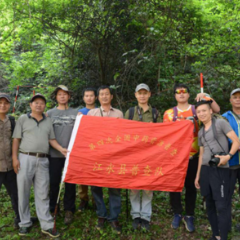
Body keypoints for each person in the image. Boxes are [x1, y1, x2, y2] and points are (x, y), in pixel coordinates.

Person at [163, 83, 220, 232]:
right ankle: (177, 213)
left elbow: (216, 111)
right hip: (175, 157)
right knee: (174, 187)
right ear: (175, 95)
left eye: (184, 92)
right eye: (178, 92)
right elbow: (164, 135)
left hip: (194, 156)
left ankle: (189, 215)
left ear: (189, 94)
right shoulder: (169, 113)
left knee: (191, 186)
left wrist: (207, 98)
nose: (181, 94)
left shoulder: (197, 110)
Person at [12, 93, 67, 237]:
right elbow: (16, 139)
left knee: (42, 192)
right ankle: (24, 223)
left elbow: (52, 139)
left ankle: (46, 224)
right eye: (36, 102)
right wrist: (14, 158)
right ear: (31, 105)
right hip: (25, 158)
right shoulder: (23, 119)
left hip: (43, 160)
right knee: (23, 192)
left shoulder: (48, 121)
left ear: (44, 106)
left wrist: (62, 149)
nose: (39, 105)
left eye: (42, 103)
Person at [194, 100, 240, 240]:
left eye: (204, 110)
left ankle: (224, 236)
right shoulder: (201, 132)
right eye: (199, 111)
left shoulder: (220, 123)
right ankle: (216, 235)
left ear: (210, 111)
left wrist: (228, 156)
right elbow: (201, 155)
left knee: (221, 205)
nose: (201, 113)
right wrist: (198, 176)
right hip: (206, 170)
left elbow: (236, 141)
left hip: (220, 170)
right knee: (210, 204)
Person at [125, 83, 161, 231]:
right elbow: (124, 132)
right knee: (133, 186)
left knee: (147, 186)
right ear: (135, 95)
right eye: (140, 93)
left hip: (150, 155)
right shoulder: (130, 111)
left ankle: (145, 216)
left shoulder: (155, 113)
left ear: (149, 94)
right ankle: (135, 216)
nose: (142, 95)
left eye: (145, 93)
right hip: (133, 154)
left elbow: (162, 134)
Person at [87, 85, 123, 234]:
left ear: (111, 96)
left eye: (107, 94)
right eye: (101, 94)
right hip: (97, 156)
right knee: (96, 187)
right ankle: (101, 215)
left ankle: (114, 217)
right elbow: (87, 134)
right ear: (98, 97)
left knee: (114, 188)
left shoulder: (119, 114)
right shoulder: (91, 113)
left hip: (114, 156)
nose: (104, 96)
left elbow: (123, 135)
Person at [47, 85, 79, 225]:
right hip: (54, 154)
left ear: (69, 96)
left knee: (70, 184)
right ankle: (53, 207)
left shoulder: (76, 113)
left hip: (71, 155)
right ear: (56, 96)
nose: (62, 96)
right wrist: (60, 148)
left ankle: (69, 210)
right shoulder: (49, 113)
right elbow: (47, 134)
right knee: (54, 183)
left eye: (65, 94)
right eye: (59, 94)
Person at [0, 93, 20, 228]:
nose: (2, 105)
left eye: (5, 103)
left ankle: (20, 219)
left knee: (15, 194)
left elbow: (16, 139)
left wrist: (15, 159)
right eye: (0, 103)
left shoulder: (12, 121)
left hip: (9, 166)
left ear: (9, 105)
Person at [222, 88, 240, 230]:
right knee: (227, 194)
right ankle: (226, 224)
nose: (238, 99)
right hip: (231, 162)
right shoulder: (225, 117)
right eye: (235, 97)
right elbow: (221, 137)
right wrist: (234, 144)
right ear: (230, 100)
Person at [78, 87, 97, 212]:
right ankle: (83, 199)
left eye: (91, 95)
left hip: (97, 147)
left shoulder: (99, 111)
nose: (89, 98)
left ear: (95, 97)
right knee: (82, 174)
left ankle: (96, 200)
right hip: (83, 148)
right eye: (87, 95)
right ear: (84, 98)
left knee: (95, 173)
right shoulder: (80, 112)